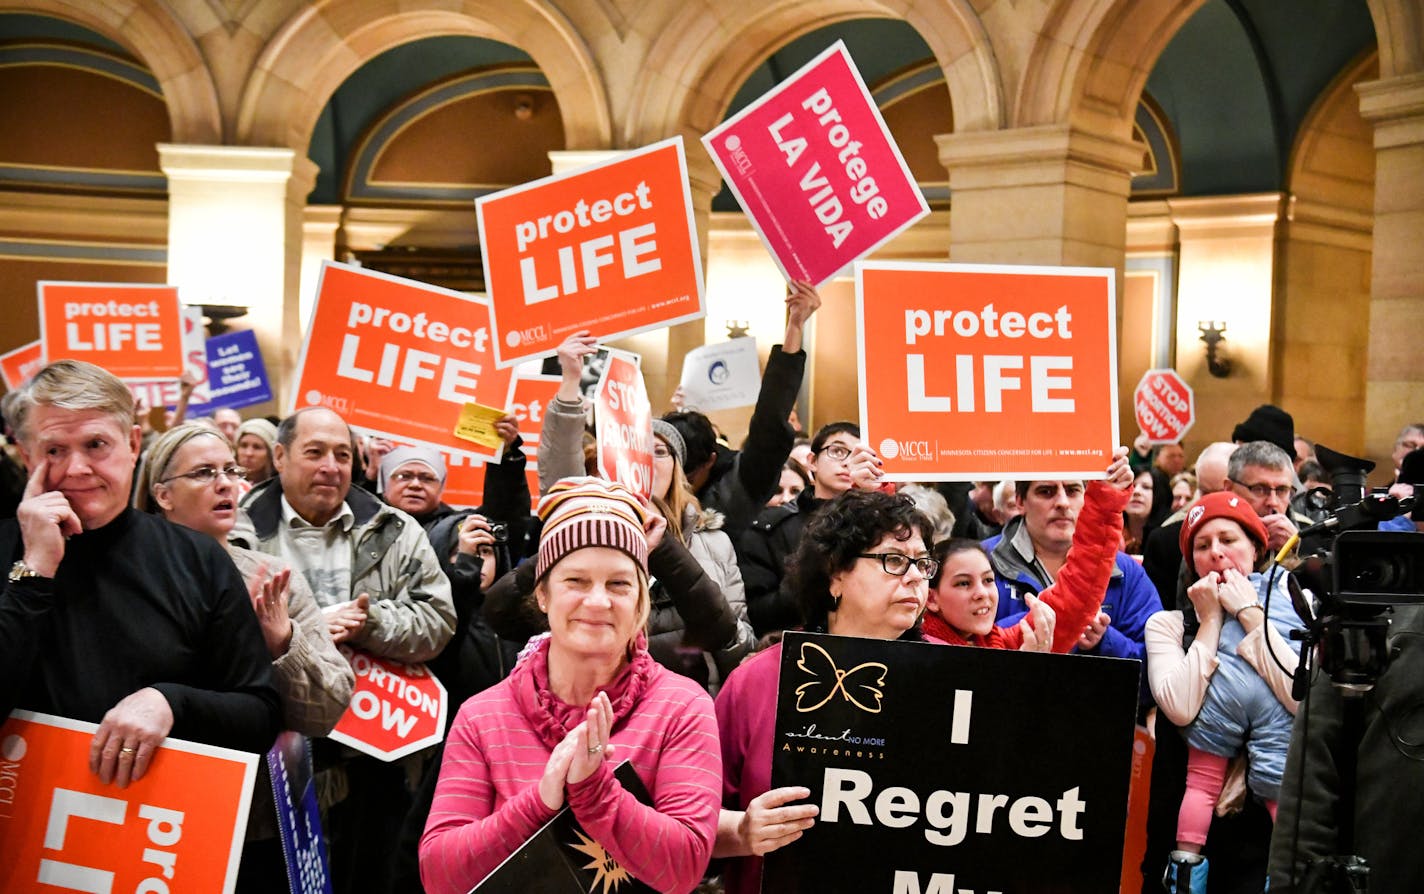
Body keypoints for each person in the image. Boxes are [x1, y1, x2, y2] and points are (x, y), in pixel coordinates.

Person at [419, 478, 721, 894]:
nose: (597, 601)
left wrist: (594, 791)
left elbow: (683, 868)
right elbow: (440, 876)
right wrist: (539, 802)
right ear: (542, 594)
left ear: (640, 600)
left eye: (619, 584)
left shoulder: (682, 707)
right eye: (575, 581)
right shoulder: (482, 716)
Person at [0, 360, 281, 785]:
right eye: (54, 450)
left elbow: (260, 714)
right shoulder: (6, 549)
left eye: (97, 444)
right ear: (27, 456)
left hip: (157, 833)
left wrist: (170, 703)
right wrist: (34, 571)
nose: (78, 468)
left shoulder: (197, 558)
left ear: (133, 444)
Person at [230, 405, 455, 894]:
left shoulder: (394, 529)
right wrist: (302, 632)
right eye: (315, 453)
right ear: (280, 456)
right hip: (270, 757)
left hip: (372, 756)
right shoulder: (237, 530)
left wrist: (367, 622)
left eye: (342, 454)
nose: (331, 466)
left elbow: (438, 622)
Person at [136, 422, 355, 890]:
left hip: (255, 821)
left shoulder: (272, 577)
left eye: (230, 470)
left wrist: (283, 644)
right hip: (146, 812)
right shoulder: (129, 575)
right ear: (163, 495)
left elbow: (328, 709)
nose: (225, 483)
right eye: (202, 473)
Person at [484, 336, 750, 689]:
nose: (639, 458)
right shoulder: (582, 537)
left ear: (677, 470)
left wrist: (666, 551)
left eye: (657, 451)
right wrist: (570, 382)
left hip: (675, 708)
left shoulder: (711, 542)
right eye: (628, 448)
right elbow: (501, 614)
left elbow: (730, 640)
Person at [715, 489, 934, 894]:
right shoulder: (758, 682)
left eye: (922, 563)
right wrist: (742, 832)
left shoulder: (956, 677)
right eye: (894, 560)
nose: (916, 576)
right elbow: (690, 821)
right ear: (835, 573)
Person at [1147, 492, 1303, 892]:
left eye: (1228, 540)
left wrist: (1250, 614)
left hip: (1258, 844)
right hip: (1193, 824)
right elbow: (1180, 709)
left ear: (1255, 547)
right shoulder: (1166, 625)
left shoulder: (1290, 606)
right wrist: (1211, 621)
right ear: (1191, 562)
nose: (1216, 553)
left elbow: (1301, 699)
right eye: (1202, 545)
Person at [922, 448, 1133, 650]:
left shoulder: (1005, 643)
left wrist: (1107, 500)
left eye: (988, 580)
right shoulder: (911, 647)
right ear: (931, 598)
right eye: (963, 583)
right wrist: (1024, 674)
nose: (982, 594)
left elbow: (1076, 597)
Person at [662, 281, 820, 540]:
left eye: (687, 473)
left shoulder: (737, 487)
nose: (677, 480)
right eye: (663, 458)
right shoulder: (649, 490)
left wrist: (794, 328)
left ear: (711, 460)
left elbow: (770, 422)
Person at [983, 473, 1161, 677]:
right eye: (1046, 491)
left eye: (1073, 490)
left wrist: (1105, 641)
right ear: (1020, 501)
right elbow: (962, 647)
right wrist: (1051, 622)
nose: (1062, 502)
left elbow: (1156, 671)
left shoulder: (1127, 572)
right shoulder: (981, 564)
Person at [738, 421, 886, 637]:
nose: (849, 463)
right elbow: (760, 612)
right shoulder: (771, 527)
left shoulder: (878, 524)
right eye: (838, 451)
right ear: (812, 461)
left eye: (859, 455)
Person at [1123, 469, 1158, 555]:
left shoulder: (1164, 539)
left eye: (1146, 487)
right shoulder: (1109, 534)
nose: (1136, 491)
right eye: (1130, 486)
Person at [235, 417, 278, 485]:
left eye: (257, 447)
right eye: (244, 445)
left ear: (270, 454)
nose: (248, 453)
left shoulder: (280, 487)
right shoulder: (227, 483)